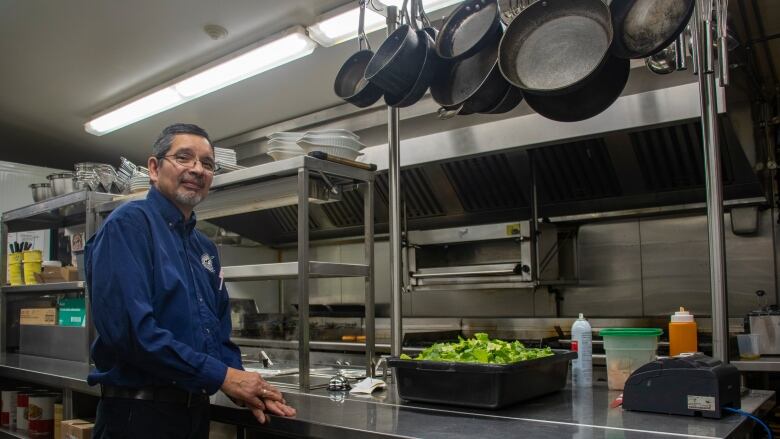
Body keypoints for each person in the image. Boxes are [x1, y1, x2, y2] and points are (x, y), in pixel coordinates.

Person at [86, 123, 296, 439]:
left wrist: (242, 383)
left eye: (207, 163)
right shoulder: (129, 225)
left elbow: (219, 333)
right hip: (139, 418)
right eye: (184, 158)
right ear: (154, 168)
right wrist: (223, 376)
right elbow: (132, 333)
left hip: (194, 414)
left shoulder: (204, 247)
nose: (197, 169)